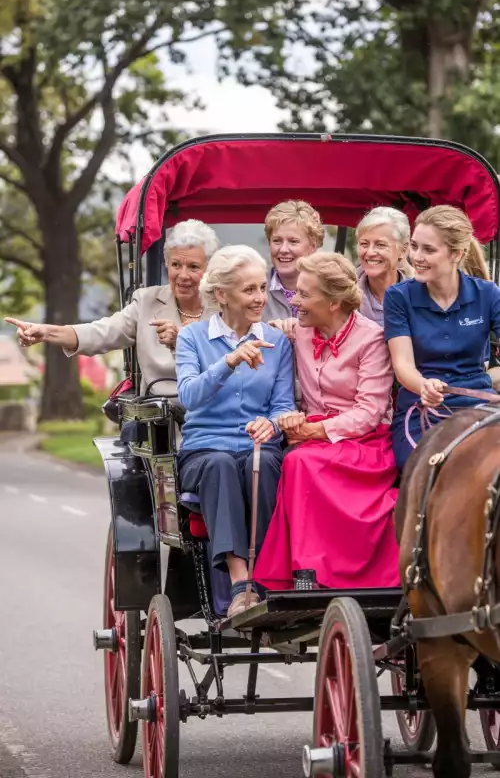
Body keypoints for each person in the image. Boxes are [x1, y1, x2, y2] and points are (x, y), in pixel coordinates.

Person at [254, 251, 399, 591]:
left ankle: (314, 573)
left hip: (364, 440)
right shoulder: (298, 329)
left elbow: (369, 412)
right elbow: (251, 330)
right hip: (314, 435)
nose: (295, 301)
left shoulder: (372, 339)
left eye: (304, 294)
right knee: (293, 459)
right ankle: (304, 570)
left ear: (333, 303)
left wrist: (316, 430)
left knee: (301, 461)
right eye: (296, 292)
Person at [175, 245, 295, 617]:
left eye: (262, 288)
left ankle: (266, 578)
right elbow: (189, 395)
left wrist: (271, 423)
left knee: (267, 463)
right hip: (204, 450)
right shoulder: (192, 338)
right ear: (222, 295)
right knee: (221, 465)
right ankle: (240, 581)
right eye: (249, 290)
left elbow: (283, 406)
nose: (260, 298)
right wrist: (228, 361)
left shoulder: (278, 344)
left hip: (256, 446)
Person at [5, 219, 219, 395]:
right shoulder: (146, 301)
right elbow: (102, 332)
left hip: (214, 415)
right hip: (162, 417)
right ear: (166, 264)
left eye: (193, 267)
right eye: (176, 265)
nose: (182, 275)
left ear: (209, 269)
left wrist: (182, 341)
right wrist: (45, 332)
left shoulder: (224, 308)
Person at [384, 205, 500, 471]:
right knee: (430, 468)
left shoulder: (488, 294)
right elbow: (403, 365)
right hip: (420, 406)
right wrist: (423, 385)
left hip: (479, 403)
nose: (417, 257)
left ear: (456, 254)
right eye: (414, 246)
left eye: (429, 249)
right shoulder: (398, 297)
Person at [263, 200, 324, 322]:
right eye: (277, 241)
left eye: (293, 241)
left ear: (312, 246)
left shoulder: (329, 289)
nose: (283, 249)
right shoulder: (255, 289)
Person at [356, 206, 412, 327]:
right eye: (364, 244)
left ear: (403, 250)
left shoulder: (420, 297)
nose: (370, 252)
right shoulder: (341, 295)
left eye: (380, 245)